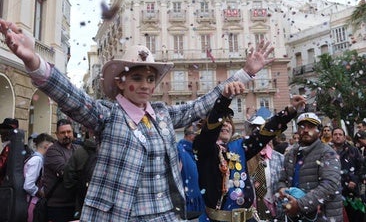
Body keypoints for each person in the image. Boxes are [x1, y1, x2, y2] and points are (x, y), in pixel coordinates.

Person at [0, 18, 274, 221]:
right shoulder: (107, 115)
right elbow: (69, 95)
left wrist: (245, 74)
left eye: (150, 78)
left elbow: (201, 105)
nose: (145, 85)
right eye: (137, 77)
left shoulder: (163, 115)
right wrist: (33, 60)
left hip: (165, 215)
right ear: (120, 83)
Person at [193, 82, 306, 222]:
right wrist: (224, 99)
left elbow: (263, 134)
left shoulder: (238, 146)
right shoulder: (203, 147)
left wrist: (289, 111)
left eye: (229, 121)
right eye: (222, 121)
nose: (226, 124)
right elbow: (209, 133)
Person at [277, 112, 343, 222]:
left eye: (311, 126)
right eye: (302, 126)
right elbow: (282, 179)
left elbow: (329, 186)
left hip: (323, 217)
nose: (306, 130)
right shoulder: (291, 153)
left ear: (319, 131)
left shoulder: (328, 153)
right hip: (295, 216)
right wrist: (282, 189)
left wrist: (299, 205)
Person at [43, 119, 78, 222]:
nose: (66, 135)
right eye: (62, 132)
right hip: (58, 206)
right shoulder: (53, 150)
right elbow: (66, 172)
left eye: (69, 132)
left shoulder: (77, 149)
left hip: (74, 204)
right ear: (57, 134)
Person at [331, 127, 364, 221]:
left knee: (355, 217)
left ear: (344, 137)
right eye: (335, 134)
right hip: (333, 193)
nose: (338, 136)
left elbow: (361, 167)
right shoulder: (327, 151)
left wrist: (354, 180)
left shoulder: (353, 150)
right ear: (332, 137)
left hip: (351, 193)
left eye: (340, 134)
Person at [63, 131, 98, 220]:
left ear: (90, 133)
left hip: (82, 205)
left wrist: (80, 191)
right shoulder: (113, 153)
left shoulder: (79, 152)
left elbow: (68, 180)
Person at [23, 133, 55, 222]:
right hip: (32, 203)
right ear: (46, 146)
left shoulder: (34, 158)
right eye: (52, 148)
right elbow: (28, 185)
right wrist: (40, 193)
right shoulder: (37, 160)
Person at [177, 124, 205, 220]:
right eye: (197, 135)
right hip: (187, 206)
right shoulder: (179, 150)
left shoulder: (199, 152)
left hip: (203, 206)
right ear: (190, 135)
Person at [0, 118, 19, 184]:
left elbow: (1, 165)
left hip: (4, 184)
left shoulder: (9, 148)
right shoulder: (17, 145)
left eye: (3, 132)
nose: (1, 135)